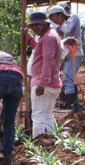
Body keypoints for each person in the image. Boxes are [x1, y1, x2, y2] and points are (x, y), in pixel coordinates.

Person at [24, 11, 62, 139]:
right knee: (46, 115)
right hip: (53, 84)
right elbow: (40, 50)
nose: (35, 28)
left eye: (37, 25)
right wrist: (29, 38)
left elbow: (47, 60)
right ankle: (50, 143)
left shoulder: (48, 38)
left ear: (44, 24)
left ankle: (39, 148)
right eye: (33, 26)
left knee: (38, 116)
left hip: (44, 84)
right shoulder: (50, 36)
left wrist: (43, 83)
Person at [48, 3, 83, 111]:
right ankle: (72, 102)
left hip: (74, 53)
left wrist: (57, 25)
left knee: (68, 80)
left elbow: (68, 30)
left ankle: (71, 105)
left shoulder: (73, 17)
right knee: (67, 79)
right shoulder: (61, 22)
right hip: (65, 53)